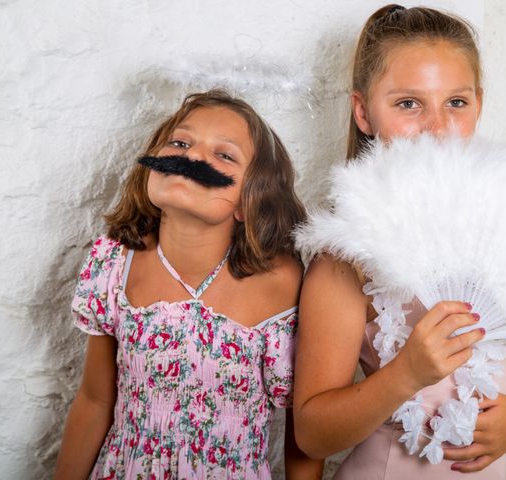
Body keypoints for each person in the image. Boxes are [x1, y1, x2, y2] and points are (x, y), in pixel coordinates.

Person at [293, 5, 506, 478]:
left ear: (479, 103)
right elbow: (311, 433)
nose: (437, 126)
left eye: (456, 102)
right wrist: (407, 372)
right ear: (364, 112)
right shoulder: (346, 259)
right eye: (408, 103)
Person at [54, 90, 322, 479]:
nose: (193, 157)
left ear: (249, 201)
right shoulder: (116, 263)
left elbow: (305, 433)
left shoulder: (285, 285)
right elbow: (95, 400)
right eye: (180, 142)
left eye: (224, 155)